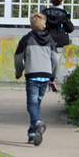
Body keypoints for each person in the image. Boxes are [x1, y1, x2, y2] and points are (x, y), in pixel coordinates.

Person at [14, 11, 61, 145]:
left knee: (32, 104)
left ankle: (38, 123)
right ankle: (32, 133)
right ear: (44, 26)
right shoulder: (50, 40)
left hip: (32, 76)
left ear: (30, 26)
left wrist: (19, 72)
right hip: (45, 76)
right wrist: (52, 75)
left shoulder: (26, 39)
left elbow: (18, 58)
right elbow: (56, 59)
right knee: (36, 104)